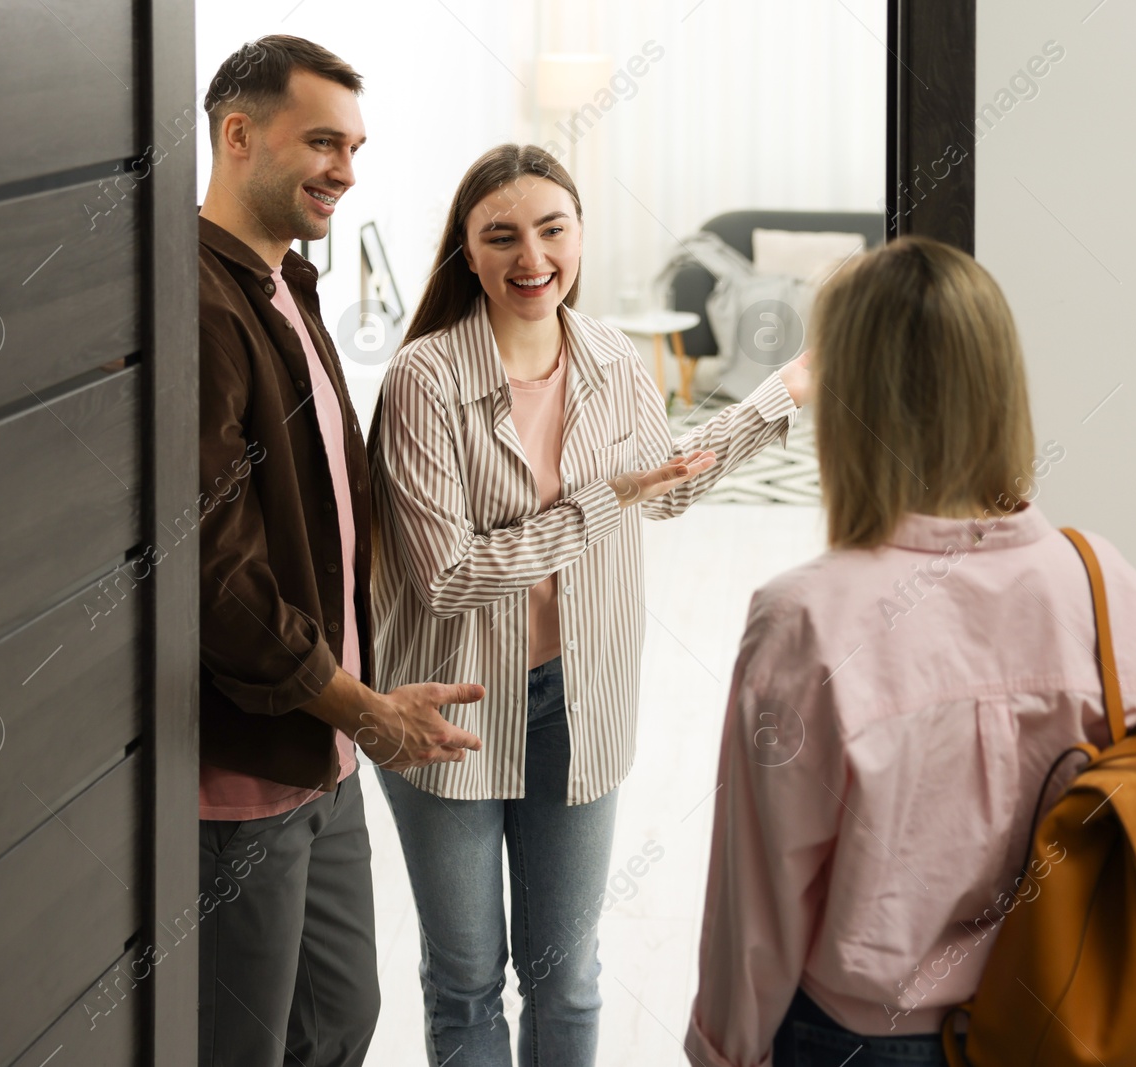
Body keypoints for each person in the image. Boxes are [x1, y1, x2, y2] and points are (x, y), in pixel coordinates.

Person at [367, 143, 813, 1067]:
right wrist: (606, 499)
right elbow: (448, 575)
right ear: (469, 251)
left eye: (551, 229)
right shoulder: (424, 379)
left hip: (581, 699)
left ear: (580, 235)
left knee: (566, 979)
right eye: (502, 236)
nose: (531, 257)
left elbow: (671, 486)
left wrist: (783, 393)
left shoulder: (613, 358)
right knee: (467, 982)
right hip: (454, 714)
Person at [683, 236, 1136, 1067]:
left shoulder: (805, 618)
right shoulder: (1105, 584)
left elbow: (757, 906)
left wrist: (723, 1053)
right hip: (1071, 1020)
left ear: (845, 401)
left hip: (865, 1041)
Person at [195, 35, 485, 1067]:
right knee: (246, 1044)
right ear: (238, 134)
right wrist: (361, 705)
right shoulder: (198, 301)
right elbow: (214, 575)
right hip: (246, 770)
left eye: (355, 147)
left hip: (325, 755)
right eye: (322, 141)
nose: (345, 171)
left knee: (340, 1021)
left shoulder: (288, 286)